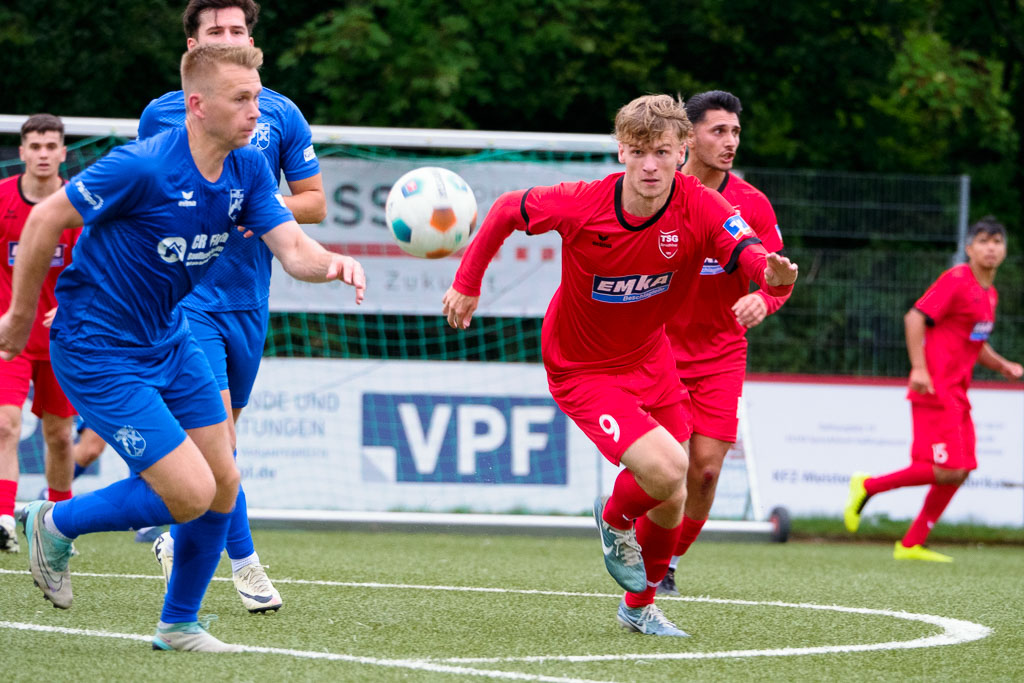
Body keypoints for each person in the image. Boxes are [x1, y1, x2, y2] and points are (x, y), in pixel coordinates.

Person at [0, 44, 364, 652]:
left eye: (258, 96)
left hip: (167, 339)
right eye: (243, 99)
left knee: (223, 480)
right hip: (98, 347)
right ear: (197, 106)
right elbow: (43, 223)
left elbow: (295, 251)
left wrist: (334, 265)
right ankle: (52, 521)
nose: (258, 112)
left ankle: (179, 626)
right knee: (190, 492)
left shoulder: (248, 168)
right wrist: (17, 316)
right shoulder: (141, 167)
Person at [442, 94, 797, 636]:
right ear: (620, 153)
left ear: (681, 153)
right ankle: (613, 520)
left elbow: (744, 247)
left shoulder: (700, 203)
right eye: (638, 151)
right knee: (667, 469)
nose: (650, 165)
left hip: (651, 358)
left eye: (661, 151)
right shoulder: (581, 202)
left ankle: (640, 605)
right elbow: (507, 210)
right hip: (581, 367)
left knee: (675, 490)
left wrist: (770, 274)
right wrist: (467, 284)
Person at [136, 0, 327, 614]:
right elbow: (152, 201)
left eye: (236, 30)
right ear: (192, 48)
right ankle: (246, 567)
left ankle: (171, 533)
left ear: (251, 40)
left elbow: (314, 202)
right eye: (213, 31)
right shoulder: (164, 115)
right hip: (186, 300)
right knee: (221, 447)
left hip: (250, 301)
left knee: (217, 451)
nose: (226, 38)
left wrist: (257, 199)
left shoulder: (280, 114)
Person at [656, 91, 789, 596]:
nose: (729, 141)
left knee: (706, 472)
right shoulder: (659, 190)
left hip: (721, 354)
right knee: (664, 466)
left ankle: (665, 559)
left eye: (735, 132)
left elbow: (778, 276)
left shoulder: (752, 203)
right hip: (659, 350)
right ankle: (630, 531)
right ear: (688, 137)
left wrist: (766, 299)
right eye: (718, 131)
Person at [844, 216, 1020, 562]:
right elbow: (914, 318)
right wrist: (919, 368)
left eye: (997, 241)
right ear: (969, 248)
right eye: (983, 241)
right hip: (934, 389)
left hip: (957, 392)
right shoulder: (957, 280)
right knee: (949, 468)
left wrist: (1004, 366)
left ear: (1005, 250)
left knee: (963, 467)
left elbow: (976, 342)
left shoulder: (990, 294)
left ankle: (912, 543)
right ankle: (867, 486)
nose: (991, 247)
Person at [0, 114, 80, 553]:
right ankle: (3, 520)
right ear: (23, 152)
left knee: (59, 437)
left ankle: (58, 527)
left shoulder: (78, 205)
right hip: (9, 339)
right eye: (36, 146)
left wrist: (71, 308)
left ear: (64, 152)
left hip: (61, 339)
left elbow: (95, 268)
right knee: (5, 424)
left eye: (52, 146)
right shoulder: (1, 201)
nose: (44, 153)